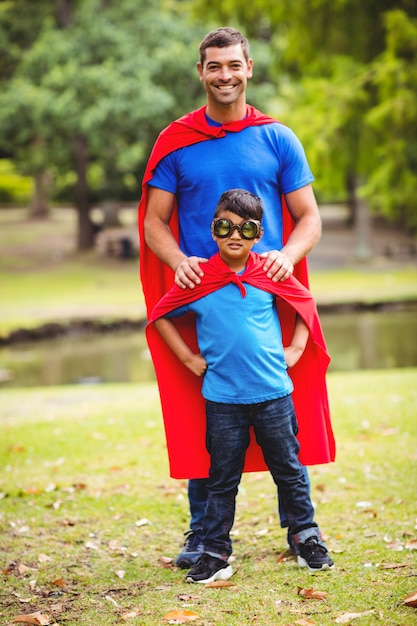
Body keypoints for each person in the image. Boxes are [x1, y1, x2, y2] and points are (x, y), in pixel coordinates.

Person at [138, 27, 326, 569]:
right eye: (213, 66)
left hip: (266, 292)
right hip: (203, 297)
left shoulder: (278, 138)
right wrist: (180, 265)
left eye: (233, 66)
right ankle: (204, 535)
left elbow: (309, 217)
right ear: (201, 72)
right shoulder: (174, 141)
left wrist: (286, 259)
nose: (224, 76)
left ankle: (301, 531)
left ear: (249, 69)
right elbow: (153, 223)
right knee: (203, 412)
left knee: (281, 412)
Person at [150, 189, 334, 582]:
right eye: (225, 226)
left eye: (246, 228)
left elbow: (306, 303)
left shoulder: (268, 272)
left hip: (275, 396)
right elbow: (161, 315)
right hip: (222, 402)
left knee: (289, 470)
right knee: (221, 480)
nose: (235, 234)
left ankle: (306, 537)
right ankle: (215, 553)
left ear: (258, 234)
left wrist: (298, 347)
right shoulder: (200, 278)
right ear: (213, 231)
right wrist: (188, 359)